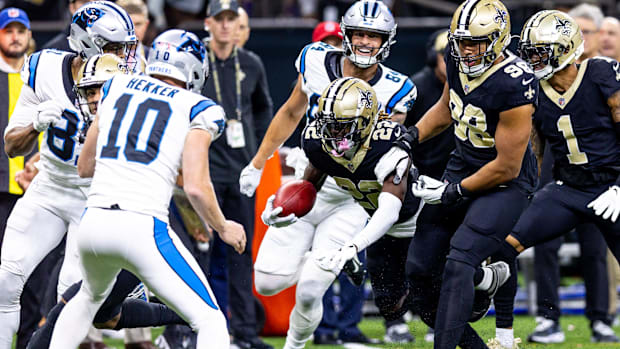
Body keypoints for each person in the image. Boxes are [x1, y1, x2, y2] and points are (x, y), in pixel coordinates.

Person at [48, 28, 245, 349]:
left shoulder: (116, 85)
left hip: (93, 221)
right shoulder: (198, 106)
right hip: (141, 225)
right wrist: (223, 226)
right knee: (210, 320)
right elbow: (195, 185)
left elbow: (85, 166)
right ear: (193, 68)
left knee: (87, 299)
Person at [243, 0, 419, 345]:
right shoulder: (316, 60)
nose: (366, 42)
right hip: (308, 180)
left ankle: (294, 343)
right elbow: (291, 111)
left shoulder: (399, 89)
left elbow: (385, 151)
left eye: (375, 35)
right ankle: (317, 258)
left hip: (351, 195)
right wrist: (258, 163)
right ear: (346, 34)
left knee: (310, 288)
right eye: (360, 34)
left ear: (388, 41)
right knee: (265, 282)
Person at [378, 0, 539, 347]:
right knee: (419, 274)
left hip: (505, 183)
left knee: (459, 260)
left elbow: (507, 165)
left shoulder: (514, 82)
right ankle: (481, 298)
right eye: (460, 41)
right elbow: (448, 106)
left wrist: (454, 191)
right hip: (462, 164)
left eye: (475, 42)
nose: (465, 49)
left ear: (497, 40)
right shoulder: (456, 58)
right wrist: (411, 138)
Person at [0, 3, 137, 348]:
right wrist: (35, 123)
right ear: (87, 45)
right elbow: (12, 147)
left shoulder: (129, 80)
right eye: (113, 47)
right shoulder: (43, 67)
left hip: (94, 197)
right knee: (6, 281)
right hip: (49, 187)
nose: (123, 55)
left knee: (71, 296)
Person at [498, 9, 620, 344]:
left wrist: (619, 186)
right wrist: (518, 195)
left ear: (566, 49)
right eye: (531, 51)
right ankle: (504, 333)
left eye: (541, 51)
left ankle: (601, 321)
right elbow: (532, 153)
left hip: (610, 188)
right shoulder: (534, 91)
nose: (533, 59)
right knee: (503, 246)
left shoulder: (600, 72)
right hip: (567, 189)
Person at [202, 1, 274, 348]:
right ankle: (197, 329)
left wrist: (257, 154)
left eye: (232, 20)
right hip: (205, 173)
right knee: (201, 253)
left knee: (242, 253)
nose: (226, 26)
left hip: (242, 173)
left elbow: (264, 109)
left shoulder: (252, 63)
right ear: (208, 23)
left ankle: (244, 332)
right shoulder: (197, 61)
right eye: (220, 20)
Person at [405, 29, 453, 180]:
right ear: (434, 57)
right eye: (445, 55)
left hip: (457, 173)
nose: (451, 60)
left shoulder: (470, 85)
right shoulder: (415, 88)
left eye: (455, 55)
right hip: (423, 175)